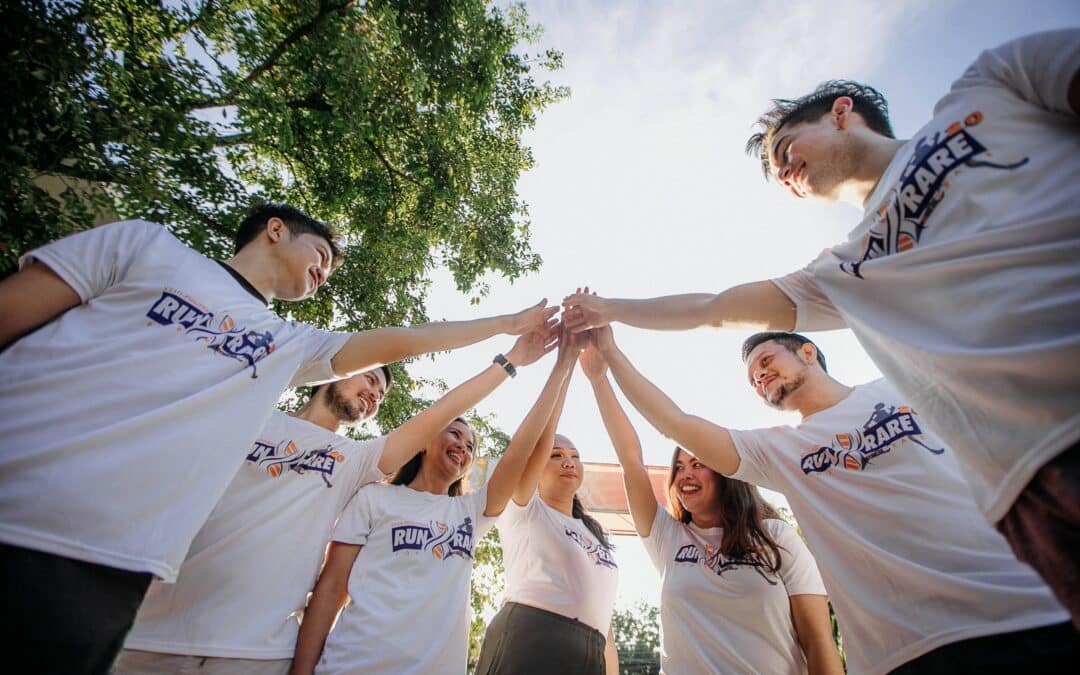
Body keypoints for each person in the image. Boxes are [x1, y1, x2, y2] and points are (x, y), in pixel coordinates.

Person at [562, 30, 1080, 621]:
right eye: (775, 172)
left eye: (784, 147)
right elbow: (712, 308)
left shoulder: (989, 84)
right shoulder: (841, 272)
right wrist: (609, 311)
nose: (782, 172)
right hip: (1038, 478)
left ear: (842, 114)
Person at [0, 202, 557, 673]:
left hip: (147, 594)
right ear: (274, 229)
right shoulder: (151, 250)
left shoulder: (291, 361)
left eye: (382, 394)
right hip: (122, 603)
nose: (323, 272)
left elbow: (412, 367)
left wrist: (506, 344)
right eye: (320, 256)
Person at [593, 327, 1073, 673]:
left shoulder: (901, 388)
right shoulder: (778, 451)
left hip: (1019, 610)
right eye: (752, 378)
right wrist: (608, 359)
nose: (759, 377)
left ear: (808, 351)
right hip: (899, 652)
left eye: (765, 362)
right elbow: (670, 424)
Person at [116, 322, 556, 673]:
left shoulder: (356, 463)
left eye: (381, 396)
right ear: (333, 373)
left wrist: (511, 361)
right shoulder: (246, 415)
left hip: (255, 649)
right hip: (153, 629)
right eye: (369, 379)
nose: (373, 395)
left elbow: (440, 413)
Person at [290, 324, 575, 675]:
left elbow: (522, 450)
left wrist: (563, 367)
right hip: (353, 665)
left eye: (471, 447)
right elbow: (332, 588)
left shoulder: (471, 512)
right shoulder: (374, 498)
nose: (463, 446)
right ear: (425, 441)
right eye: (455, 434)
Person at [579, 337, 840, 675]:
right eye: (679, 467)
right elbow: (631, 459)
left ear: (726, 472)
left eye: (698, 463)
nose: (685, 474)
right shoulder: (667, 538)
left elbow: (818, 640)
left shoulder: (776, 537)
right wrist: (599, 379)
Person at [475, 330, 619, 675]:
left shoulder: (595, 533)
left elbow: (605, 620)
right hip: (532, 637)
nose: (568, 461)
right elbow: (539, 438)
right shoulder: (525, 510)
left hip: (590, 650)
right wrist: (565, 362)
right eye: (556, 455)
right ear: (537, 467)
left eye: (574, 455)